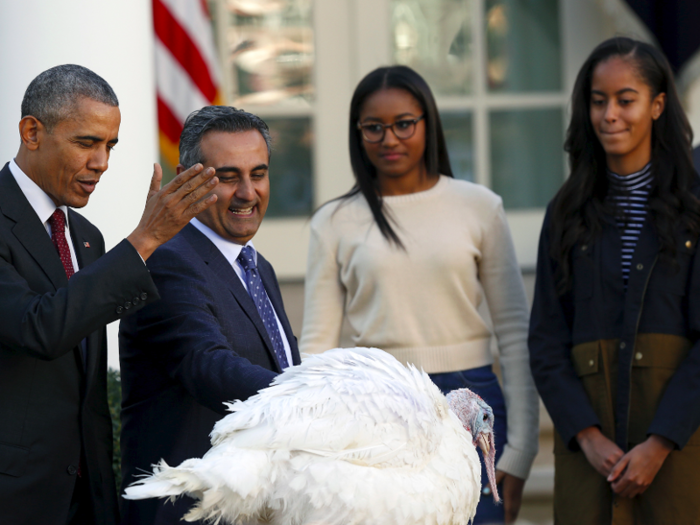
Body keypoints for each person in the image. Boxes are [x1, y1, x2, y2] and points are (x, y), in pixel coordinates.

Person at [300, 65, 539, 525]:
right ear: (358, 133)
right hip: (375, 405)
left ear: (429, 123)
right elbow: (317, 349)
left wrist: (522, 448)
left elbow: (514, 334)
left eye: (404, 124)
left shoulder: (479, 207)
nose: (389, 139)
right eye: (374, 127)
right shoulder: (333, 222)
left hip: (472, 399)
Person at [0, 64, 219, 525]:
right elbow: (38, 327)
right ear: (32, 132)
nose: (101, 162)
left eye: (110, 145)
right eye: (86, 143)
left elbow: (89, 391)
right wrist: (144, 241)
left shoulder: (85, 237)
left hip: (88, 500)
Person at [529, 37, 700, 524]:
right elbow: (545, 340)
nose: (609, 115)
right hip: (591, 460)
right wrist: (587, 436)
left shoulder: (693, 208)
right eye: (598, 101)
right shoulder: (565, 213)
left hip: (681, 446)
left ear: (657, 105)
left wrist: (661, 441)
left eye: (626, 100)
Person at [119, 105, 301, 525]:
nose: (248, 193)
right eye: (227, 177)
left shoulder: (257, 266)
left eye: (258, 174)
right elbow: (207, 364)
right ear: (186, 178)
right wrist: (317, 397)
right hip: (189, 513)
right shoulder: (165, 261)